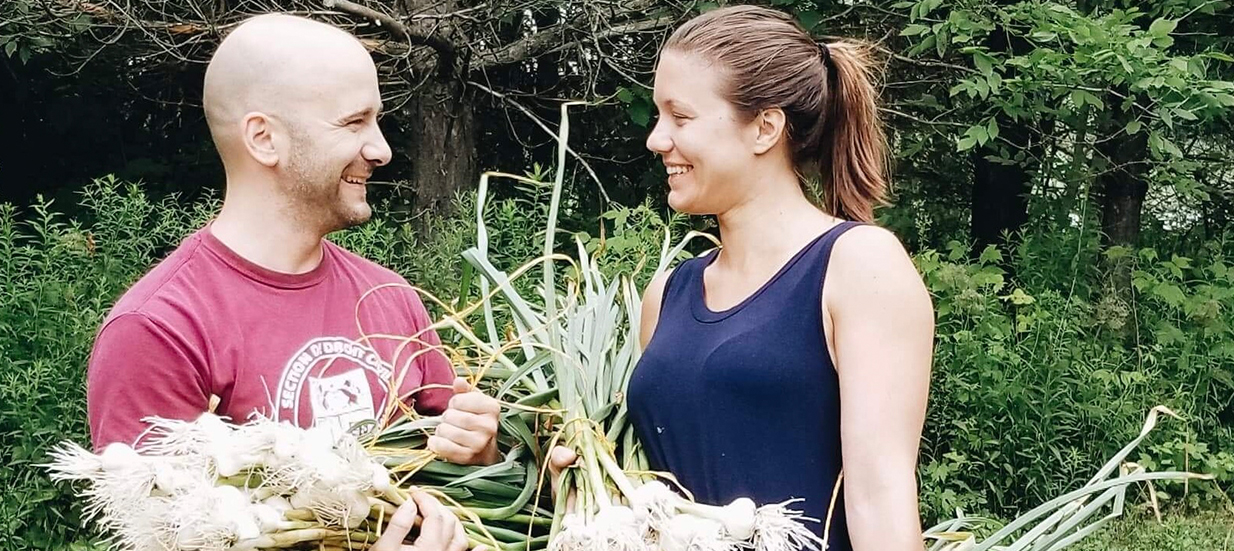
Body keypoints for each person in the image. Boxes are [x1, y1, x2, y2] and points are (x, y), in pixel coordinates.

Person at [85, 14, 497, 550]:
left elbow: (461, 484)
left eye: (377, 121)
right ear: (264, 138)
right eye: (354, 123)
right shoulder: (160, 329)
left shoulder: (390, 296)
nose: (381, 150)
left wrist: (479, 449)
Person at [554, 5, 934, 551]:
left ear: (764, 127)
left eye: (679, 117)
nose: (657, 139)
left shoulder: (858, 267)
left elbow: (879, 501)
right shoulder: (668, 293)